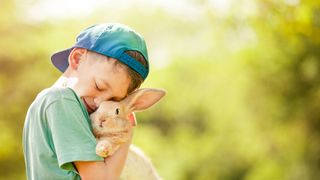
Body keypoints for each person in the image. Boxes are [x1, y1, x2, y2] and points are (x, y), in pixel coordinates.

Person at [22, 23, 149, 180]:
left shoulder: (45, 102)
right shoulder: (62, 101)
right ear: (77, 58)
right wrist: (126, 133)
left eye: (113, 100)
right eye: (99, 86)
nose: (99, 103)